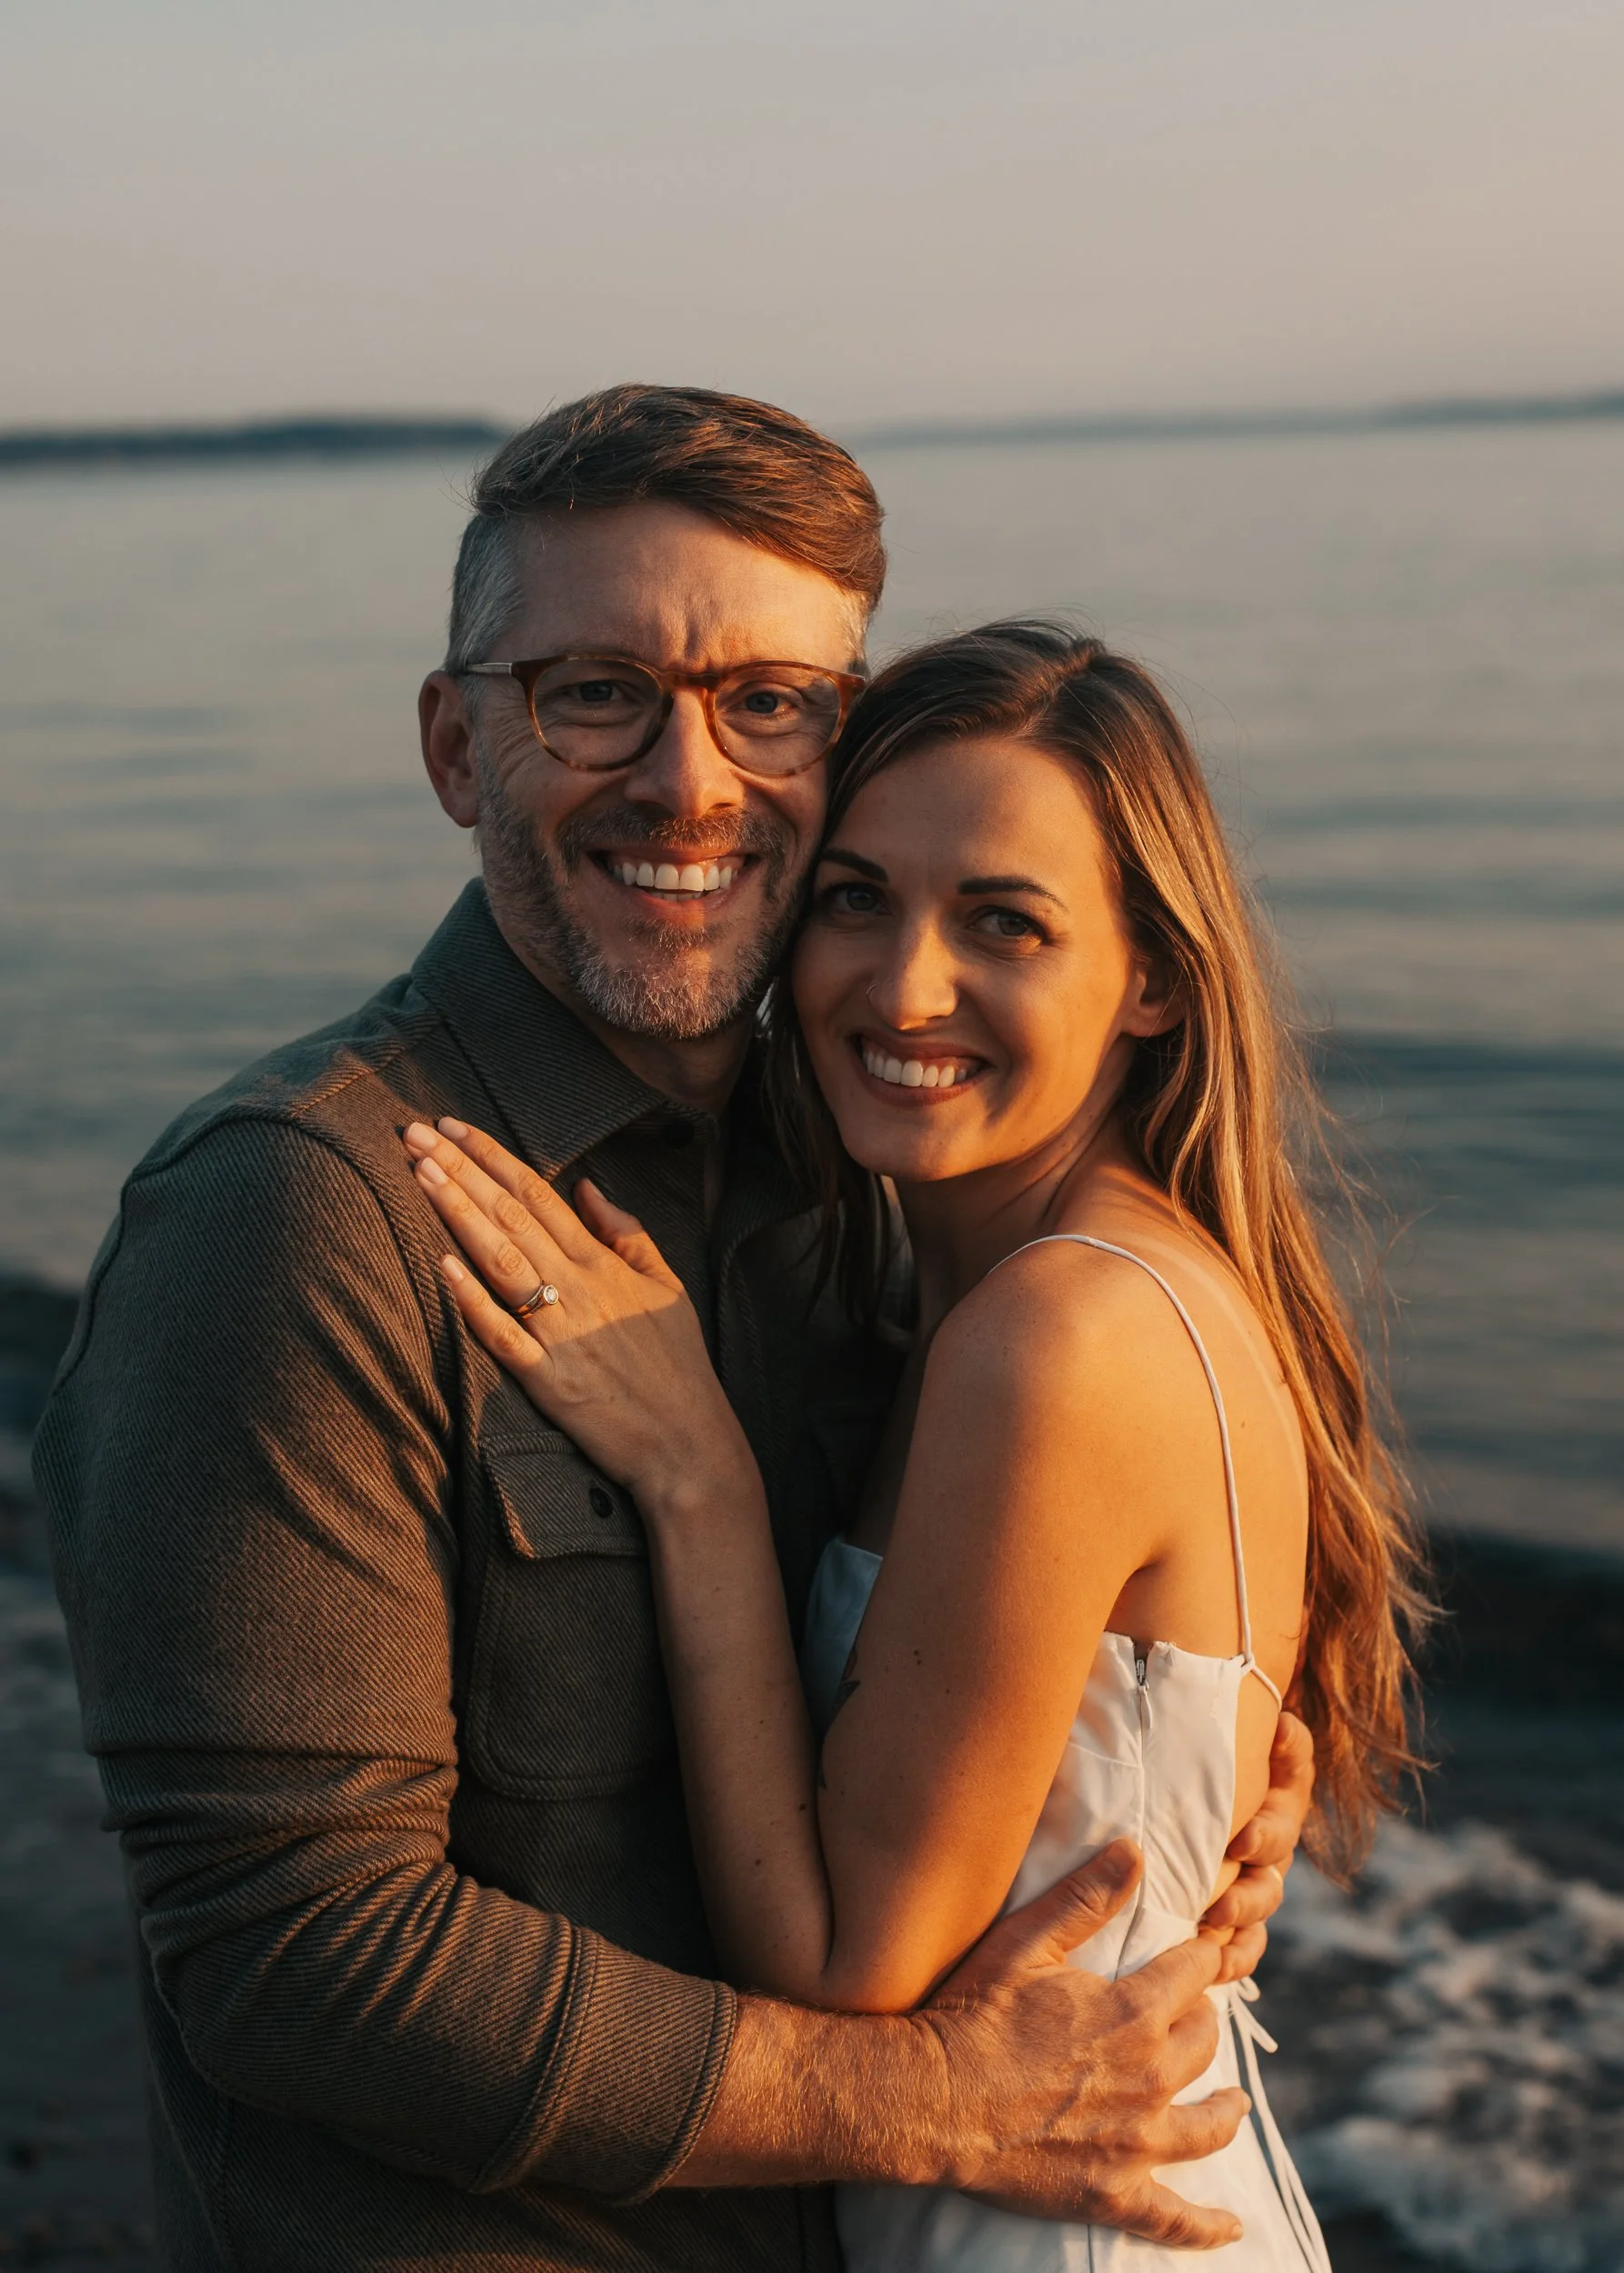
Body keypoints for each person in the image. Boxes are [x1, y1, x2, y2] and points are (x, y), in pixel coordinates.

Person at [35, 389, 1314, 2271]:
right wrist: (914, 2096)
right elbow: (287, 1951)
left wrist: (1196, 1785)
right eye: (591, 693)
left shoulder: (845, 1180)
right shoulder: (303, 1215)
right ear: (456, 743)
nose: (690, 781)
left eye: (766, 704)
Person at [399, 622, 1431, 2268]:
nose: (903, 986)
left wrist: (698, 1480)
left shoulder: (1059, 1334)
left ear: (1152, 977)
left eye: (1004, 923)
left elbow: (842, 1972)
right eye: (856, 898)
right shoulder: (991, 1295)